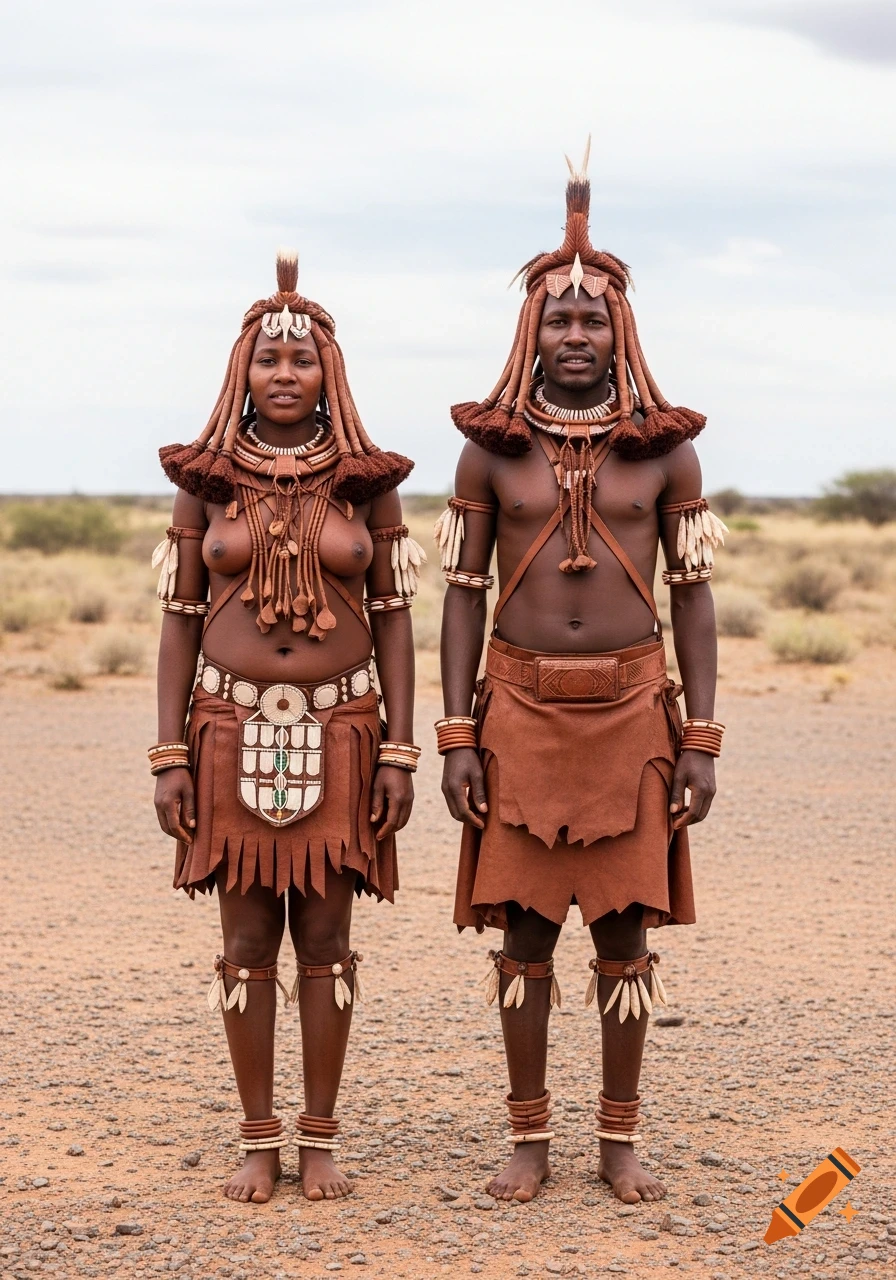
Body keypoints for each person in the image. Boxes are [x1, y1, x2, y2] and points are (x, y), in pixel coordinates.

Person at [436, 145, 727, 1205]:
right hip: (513, 707)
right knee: (519, 933)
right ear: (530, 331)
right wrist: (456, 733)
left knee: (624, 933)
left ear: (620, 332)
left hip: (630, 714)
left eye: (591, 319)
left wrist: (698, 734)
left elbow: (692, 595)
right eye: (556, 319)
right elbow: (459, 594)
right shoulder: (487, 452)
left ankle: (616, 1141)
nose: (573, 333)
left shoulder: (664, 454)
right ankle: (527, 1137)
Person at [150, 251, 423, 1205]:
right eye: (267, 359)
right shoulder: (205, 480)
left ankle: (320, 1136)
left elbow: (394, 619)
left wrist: (399, 749)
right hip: (225, 729)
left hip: (345, 728)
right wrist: (170, 756)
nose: (284, 374)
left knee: (329, 936)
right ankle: (257, 1137)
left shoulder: (366, 483)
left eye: (302, 361)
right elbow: (178, 621)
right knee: (243, 939)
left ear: (329, 376)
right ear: (242, 371)